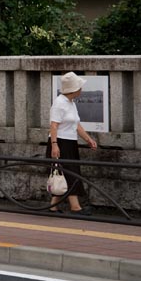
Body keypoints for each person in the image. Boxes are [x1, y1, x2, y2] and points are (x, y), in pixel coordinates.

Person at [47, 71, 98, 215]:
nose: (81, 89)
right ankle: (75, 207)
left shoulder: (71, 103)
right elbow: (54, 125)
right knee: (70, 173)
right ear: (74, 89)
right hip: (60, 142)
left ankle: (53, 207)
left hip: (70, 142)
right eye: (79, 87)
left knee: (65, 173)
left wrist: (88, 139)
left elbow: (77, 125)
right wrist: (55, 144)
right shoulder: (59, 103)